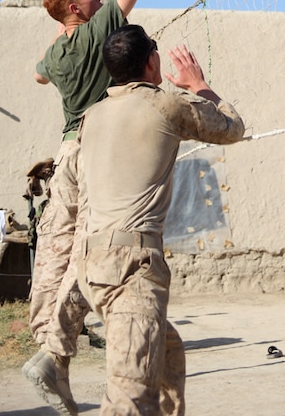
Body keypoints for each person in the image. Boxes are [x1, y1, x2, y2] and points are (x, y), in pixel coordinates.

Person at [22, 0, 149, 415]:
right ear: (76, 6)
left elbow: (37, 76)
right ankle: (57, 352)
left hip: (64, 154)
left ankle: (47, 353)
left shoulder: (56, 51)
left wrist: (59, 46)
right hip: (96, 149)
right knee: (89, 252)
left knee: (51, 256)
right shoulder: (98, 28)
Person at [77, 24, 246, 415]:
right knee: (129, 398)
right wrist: (200, 85)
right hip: (131, 269)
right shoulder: (164, 104)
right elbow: (232, 127)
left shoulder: (91, 115)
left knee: (169, 359)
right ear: (152, 61)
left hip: (94, 265)